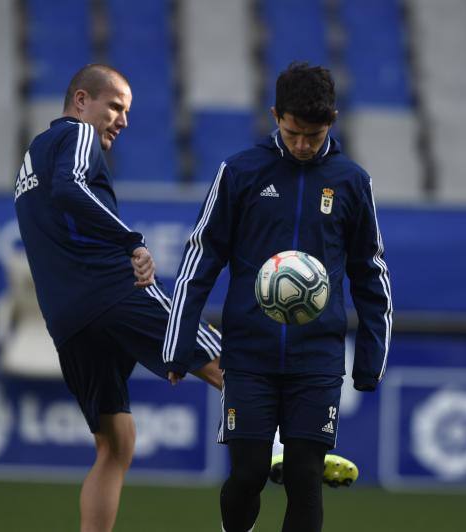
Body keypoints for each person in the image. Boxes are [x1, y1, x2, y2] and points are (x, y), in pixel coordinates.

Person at [162, 62, 393, 532]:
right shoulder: (240, 172)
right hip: (248, 355)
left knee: (305, 477)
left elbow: (370, 273)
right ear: (275, 115)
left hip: (317, 358)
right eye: (293, 133)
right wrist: (177, 345)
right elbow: (200, 259)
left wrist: (369, 361)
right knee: (247, 475)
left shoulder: (352, 181)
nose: (304, 145)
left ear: (332, 121)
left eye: (314, 133)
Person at [14, 63, 223, 532]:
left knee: (116, 442)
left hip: (67, 321)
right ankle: (290, 448)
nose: (122, 121)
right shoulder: (76, 134)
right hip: (109, 291)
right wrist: (132, 238)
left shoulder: (31, 158)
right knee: (221, 358)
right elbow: (72, 189)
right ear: (82, 100)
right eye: (115, 106)